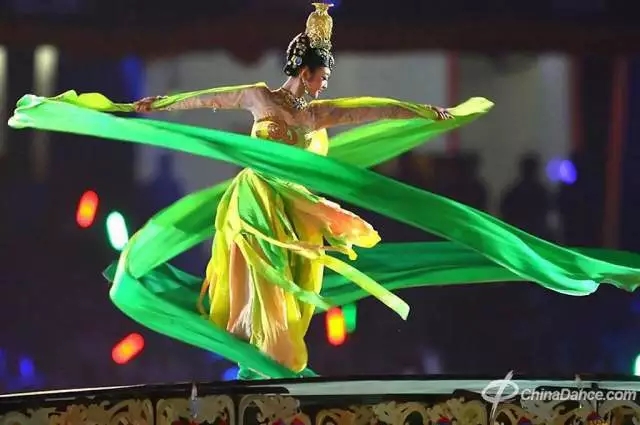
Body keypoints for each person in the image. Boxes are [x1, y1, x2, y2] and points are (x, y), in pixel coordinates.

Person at [131, 3, 452, 374]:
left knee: (289, 291)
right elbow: (209, 98)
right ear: (305, 71)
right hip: (255, 200)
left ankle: (265, 363)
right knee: (263, 281)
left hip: (294, 209)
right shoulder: (261, 97)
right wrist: (162, 104)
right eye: (323, 76)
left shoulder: (315, 114)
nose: (325, 84)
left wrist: (421, 111)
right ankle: (255, 358)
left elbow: (372, 110)